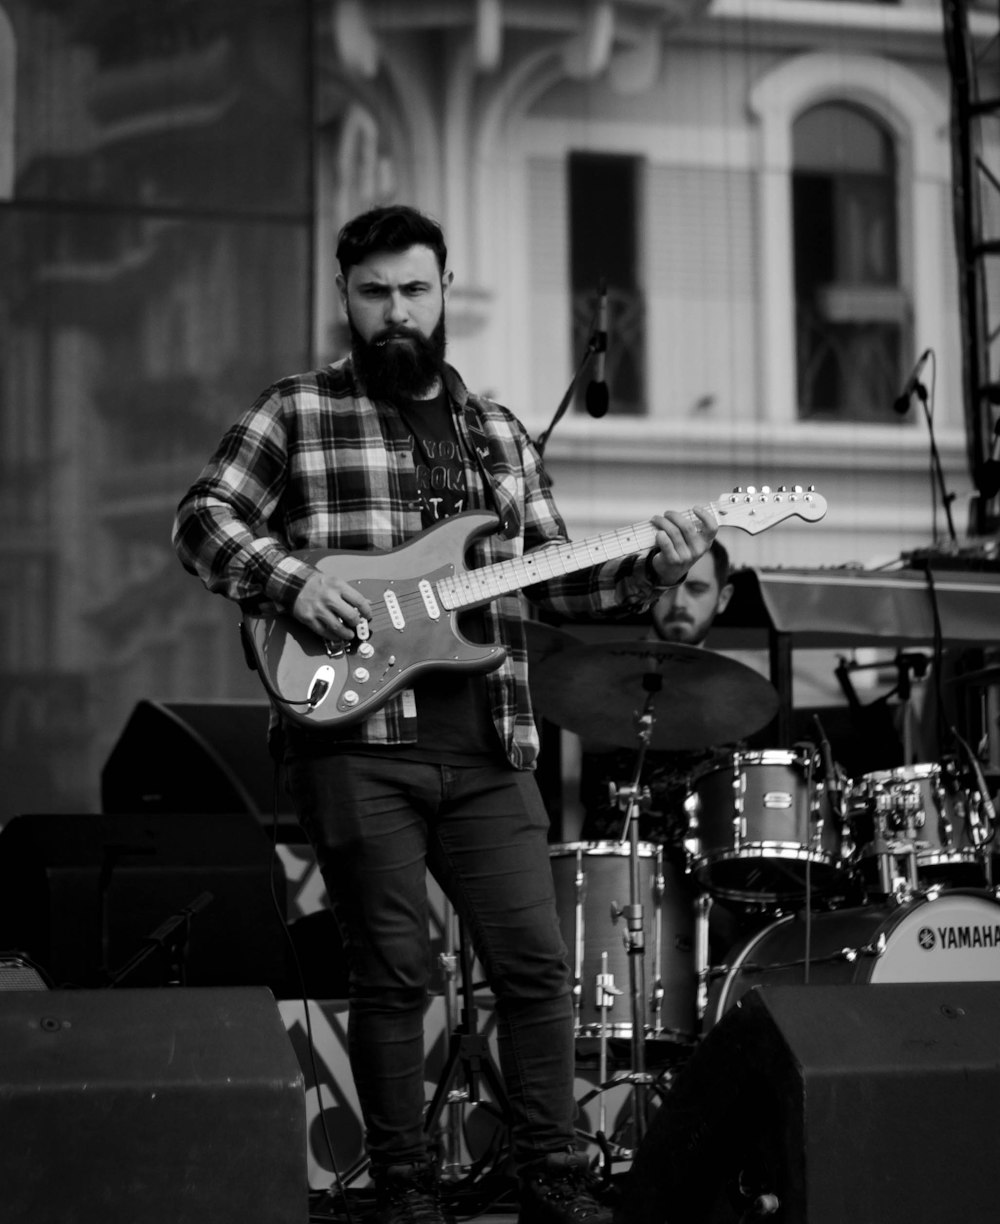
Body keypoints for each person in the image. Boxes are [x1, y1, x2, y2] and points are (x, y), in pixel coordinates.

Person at [172, 203, 717, 1224]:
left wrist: (654, 568)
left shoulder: (498, 434)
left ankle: (548, 1170)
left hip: (490, 744)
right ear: (345, 296)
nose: (394, 311)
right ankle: (405, 1186)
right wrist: (289, 581)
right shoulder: (296, 410)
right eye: (373, 292)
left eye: (412, 290)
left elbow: (558, 588)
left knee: (535, 965)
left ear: (443, 291)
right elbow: (200, 518)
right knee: (391, 974)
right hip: (355, 738)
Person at [578, 540, 735, 846]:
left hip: (702, 871)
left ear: (723, 597)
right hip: (616, 870)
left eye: (697, 589)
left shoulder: (738, 695)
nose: (679, 603)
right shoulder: (603, 682)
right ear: (649, 591)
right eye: (667, 588)